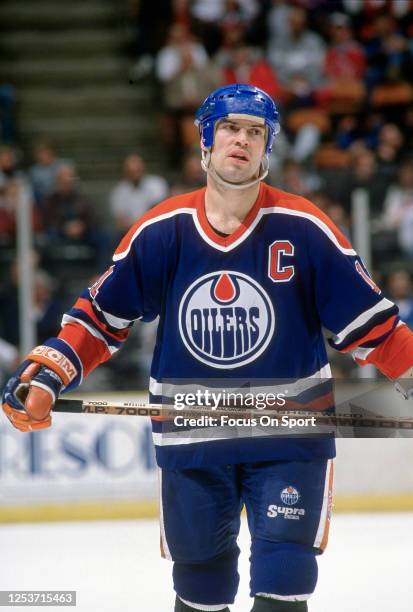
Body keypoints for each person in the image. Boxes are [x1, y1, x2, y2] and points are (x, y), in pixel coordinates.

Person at [3, 84, 413, 612]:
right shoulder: (161, 230)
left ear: (268, 148)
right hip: (192, 439)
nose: (241, 141)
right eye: (229, 128)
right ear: (205, 140)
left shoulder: (306, 229)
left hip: (287, 437)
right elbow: (99, 320)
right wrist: (49, 372)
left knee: (285, 583)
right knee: (200, 590)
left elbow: (376, 330)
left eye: (255, 132)